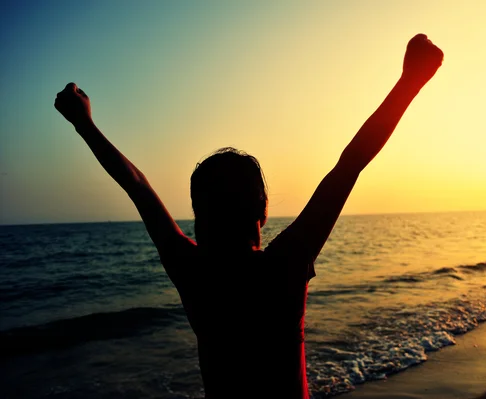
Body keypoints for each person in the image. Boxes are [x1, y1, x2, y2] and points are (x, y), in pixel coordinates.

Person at [54, 33, 443, 399]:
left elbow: (136, 185)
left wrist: (84, 124)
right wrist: (411, 81)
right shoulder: (284, 265)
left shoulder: (192, 271)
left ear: (197, 214)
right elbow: (351, 163)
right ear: (262, 209)